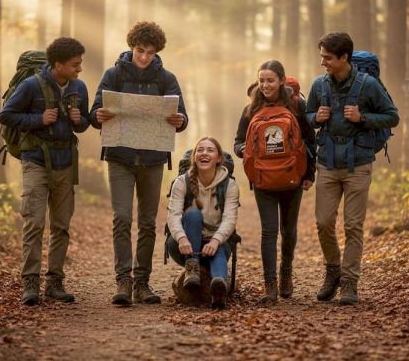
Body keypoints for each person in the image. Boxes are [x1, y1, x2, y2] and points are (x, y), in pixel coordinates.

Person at [91, 21, 188, 305]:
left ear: (157, 51)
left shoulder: (166, 78)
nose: (144, 57)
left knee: (147, 222)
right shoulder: (114, 74)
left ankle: (142, 283)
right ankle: (123, 280)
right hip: (119, 157)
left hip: (153, 159)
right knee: (122, 218)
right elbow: (95, 110)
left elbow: (181, 116)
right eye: (139, 50)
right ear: (131, 46)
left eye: (150, 52)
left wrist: (179, 121)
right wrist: (98, 114)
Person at [305, 32, 399, 305]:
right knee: (323, 223)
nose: (323, 62)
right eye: (322, 57)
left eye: (327, 58)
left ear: (344, 57)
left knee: (353, 226)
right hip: (328, 163)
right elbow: (307, 116)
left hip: (359, 164)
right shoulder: (318, 85)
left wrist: (363, 118)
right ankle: (333, 271)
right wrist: (315, 117)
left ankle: (349, 283)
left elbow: (392, 116)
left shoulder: (368, 85)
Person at [0, 37, 91, 306]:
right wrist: (38, 119)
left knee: (61, 226)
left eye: (80, 64)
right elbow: (5, 115)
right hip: (35, 162)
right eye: (75, 64)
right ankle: (30, 283)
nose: (79, 69)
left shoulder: (79, 87)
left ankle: (55, 283)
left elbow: (83, 124)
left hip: (66, 163)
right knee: (34, 223)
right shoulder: (30, 86)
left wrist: (80, 121)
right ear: (58, 64)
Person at [233, 60, 316, 304]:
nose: (265, 85)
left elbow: (310, 141)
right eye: (261, 80)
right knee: (269, 231)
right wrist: (245, 149)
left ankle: (286, 274)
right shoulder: (250, 109)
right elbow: (238, 141)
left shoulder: (297, 105)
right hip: (263, 179)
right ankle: (270, 284)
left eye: (270, 80)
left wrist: (309, 174)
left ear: (281, 80)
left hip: (293, 178)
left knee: (288, 231)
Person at [166, 137, 239, 309]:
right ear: (194, 157)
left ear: (218, 158)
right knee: (192, 215)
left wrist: (215, 241)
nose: (204, 153)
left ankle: (219, 288)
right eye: (200, 150)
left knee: (219, 251)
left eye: (210, 150)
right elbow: (173, 215)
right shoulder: (181, 182)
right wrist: (182, 239)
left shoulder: (230, 185)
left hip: (216, 242)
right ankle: (192, 267)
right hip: (184, 246)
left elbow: (230, 219)